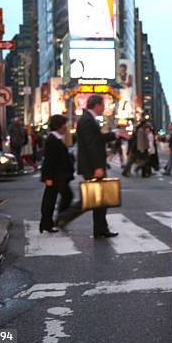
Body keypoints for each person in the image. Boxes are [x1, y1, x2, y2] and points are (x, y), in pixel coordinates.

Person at [56, 95, 128, 238]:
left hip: (93, 165)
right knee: (93, 198)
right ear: (96, 105)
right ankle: (65, 217)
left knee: (99, 199)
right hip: (92, 166)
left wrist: (115, 134)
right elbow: (91, 145)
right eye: (103, 105)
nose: (104, 108)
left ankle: (100, 229)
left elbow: (97, 139)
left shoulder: (87, 119)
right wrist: (97, 167)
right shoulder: (87, 120)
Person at [40, 115, 74, 234]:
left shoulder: (57, 138)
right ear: (59, 125)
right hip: (56, 176)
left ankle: (48, 223)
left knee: (52, 198)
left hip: (59, 175)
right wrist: (48, 177)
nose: (66, 126)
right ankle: (56, 220)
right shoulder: (52, 139)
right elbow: (49, 160)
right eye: (65, 124)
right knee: (61, 197)